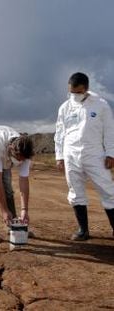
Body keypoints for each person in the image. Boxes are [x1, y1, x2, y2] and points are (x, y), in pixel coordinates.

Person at [55, 72, 114, 241]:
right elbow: (59, 133)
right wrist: (60, 156)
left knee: (108, 191)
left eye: (78, 92)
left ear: (86, 88)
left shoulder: (101, 105)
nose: (74, 95)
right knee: (75, 191)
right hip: (71, 154)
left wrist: (111, 153)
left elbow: (110, 131)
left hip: (95, 154)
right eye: (71, 92)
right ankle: (83, 230)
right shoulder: (65, 107)